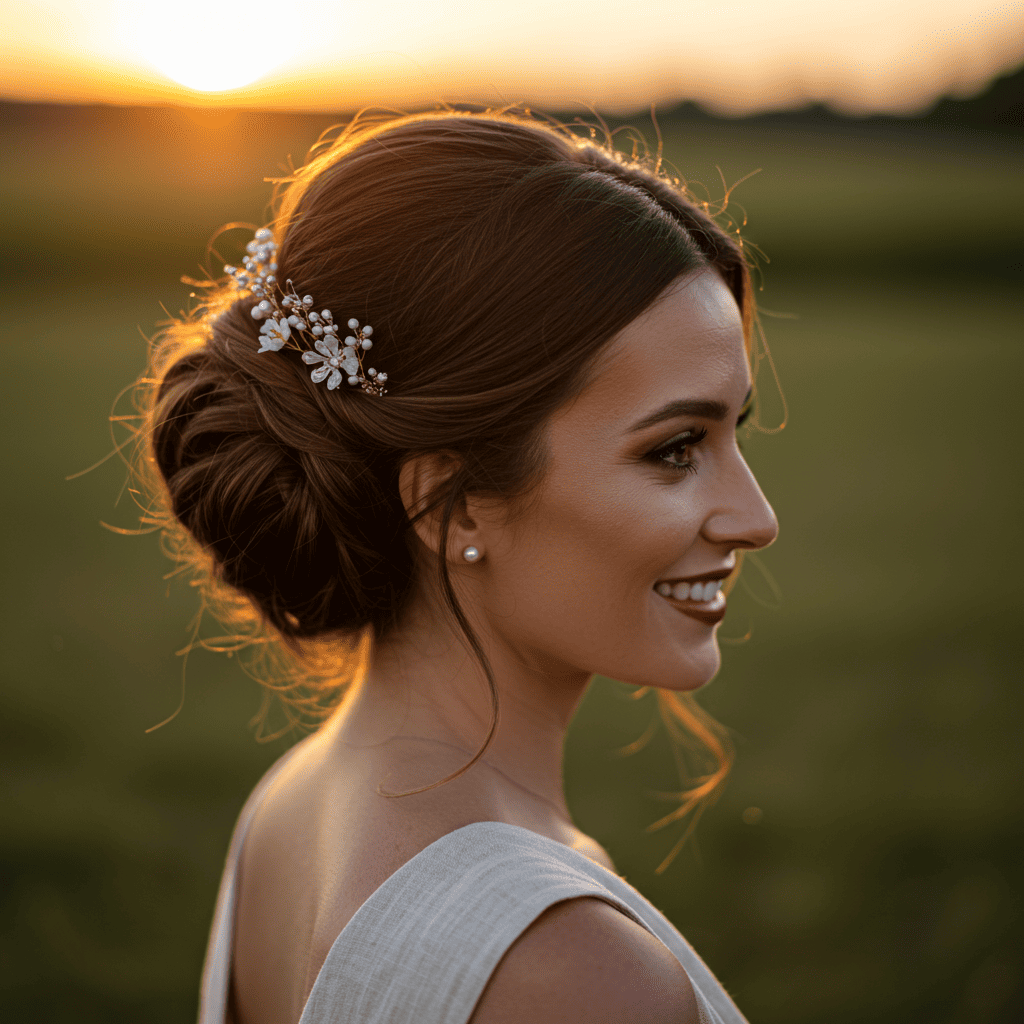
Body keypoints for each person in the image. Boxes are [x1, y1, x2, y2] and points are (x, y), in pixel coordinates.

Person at [141, 110, 778, 1024]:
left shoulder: (293, 807)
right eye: (676, 448)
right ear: (453, 501)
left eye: (733, 434)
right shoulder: (572, 974)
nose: (756, 518)